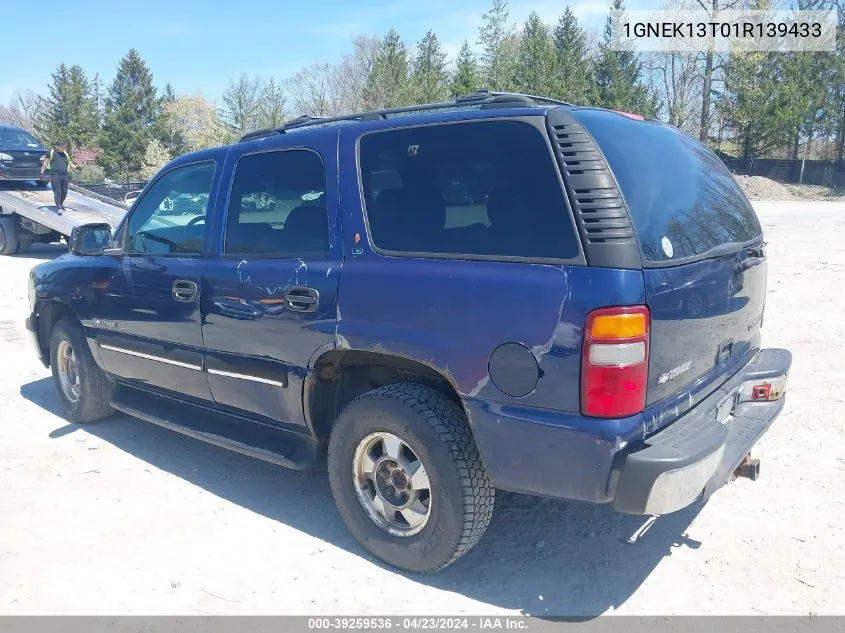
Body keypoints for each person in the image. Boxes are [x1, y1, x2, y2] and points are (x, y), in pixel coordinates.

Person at [40, 142, 75, 214]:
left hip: (65, 175)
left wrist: (74, 167)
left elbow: (69, 162)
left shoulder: (65, 154)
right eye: (62, 147)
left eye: (64, 147)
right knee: (57, 192)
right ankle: (59, 207)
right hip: (54, 175)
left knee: (64, 192)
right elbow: (45, 163)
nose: (63, 149)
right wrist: (42, 173)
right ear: (57, 147)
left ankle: (61, 203)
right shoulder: (51, 153)